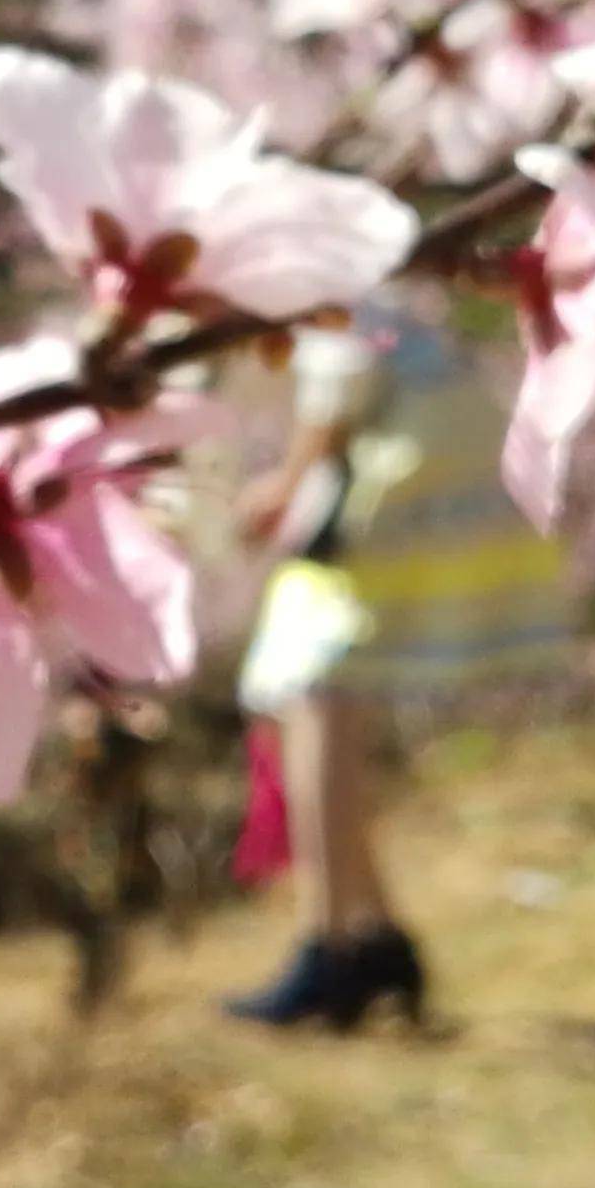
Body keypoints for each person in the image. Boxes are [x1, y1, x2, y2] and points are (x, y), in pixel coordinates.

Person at [220, 328, 427, 1029]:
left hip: (351, 542)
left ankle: (330, 946)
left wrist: (282, 486)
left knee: (317, 713)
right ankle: (375, 936)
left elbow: (335, 389)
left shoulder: (342, 303)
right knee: (297, 716)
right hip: (347, 543)